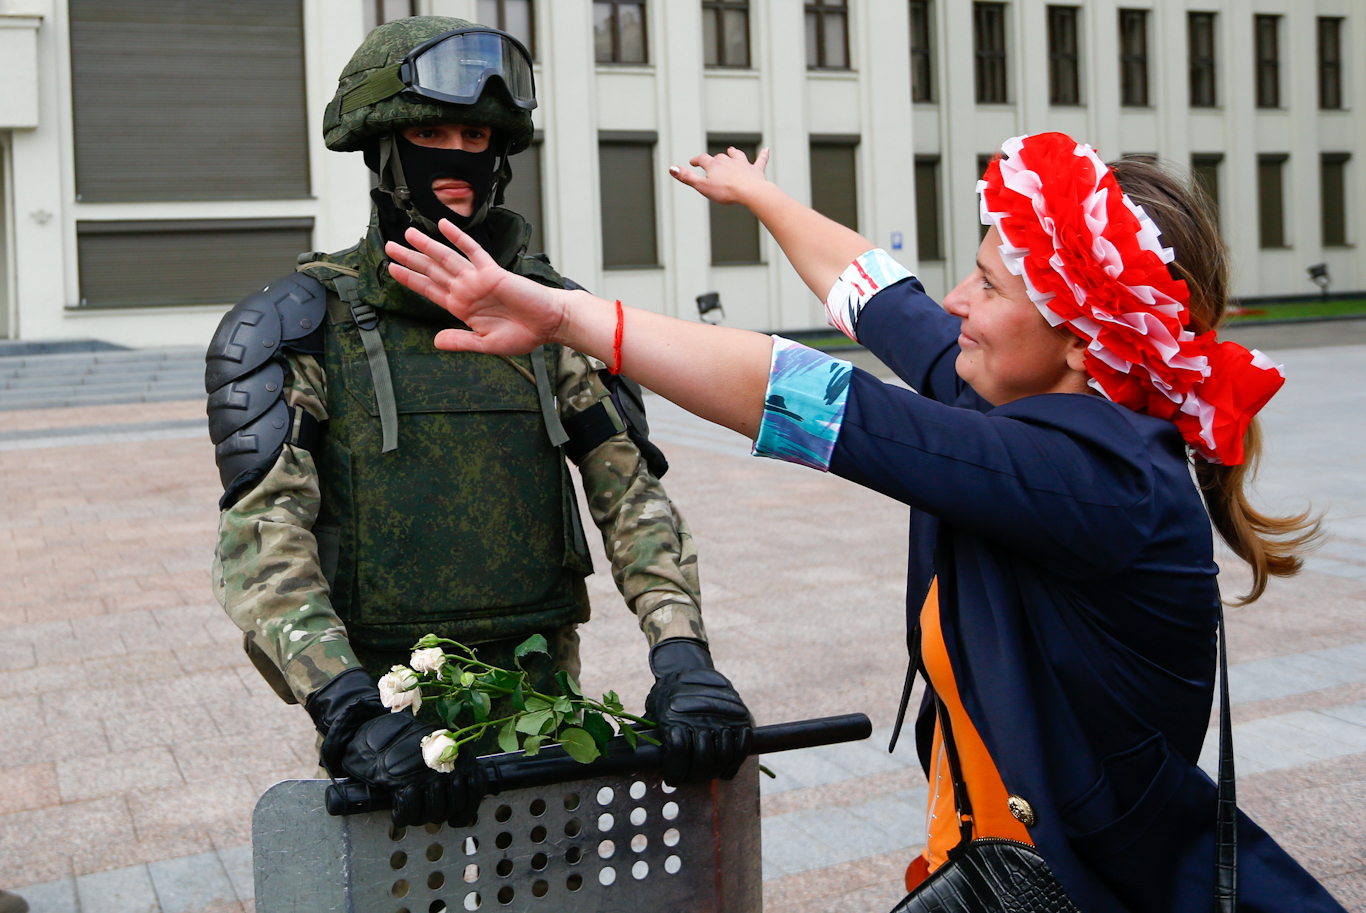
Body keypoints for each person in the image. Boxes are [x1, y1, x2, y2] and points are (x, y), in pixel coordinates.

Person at [384, 133, 1346, 912]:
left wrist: (561, 316)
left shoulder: (1093, 480)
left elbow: (816, 399)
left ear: (1083, 338)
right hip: (1006, 861)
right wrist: (761, 198)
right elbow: (884, 300)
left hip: (1072, 885)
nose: (959, 304)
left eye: (992, 288)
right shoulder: (1021, 411)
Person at [204, 17, 752, 827]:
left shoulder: (550, 317)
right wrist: (350, 710)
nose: (457, 156)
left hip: (541, 694)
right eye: (431, 131)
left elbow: (631, 497)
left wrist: (681, 652)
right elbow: (263, 543)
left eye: (476, 135)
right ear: (381, 148)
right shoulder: (302, 325)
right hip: (389, 712)